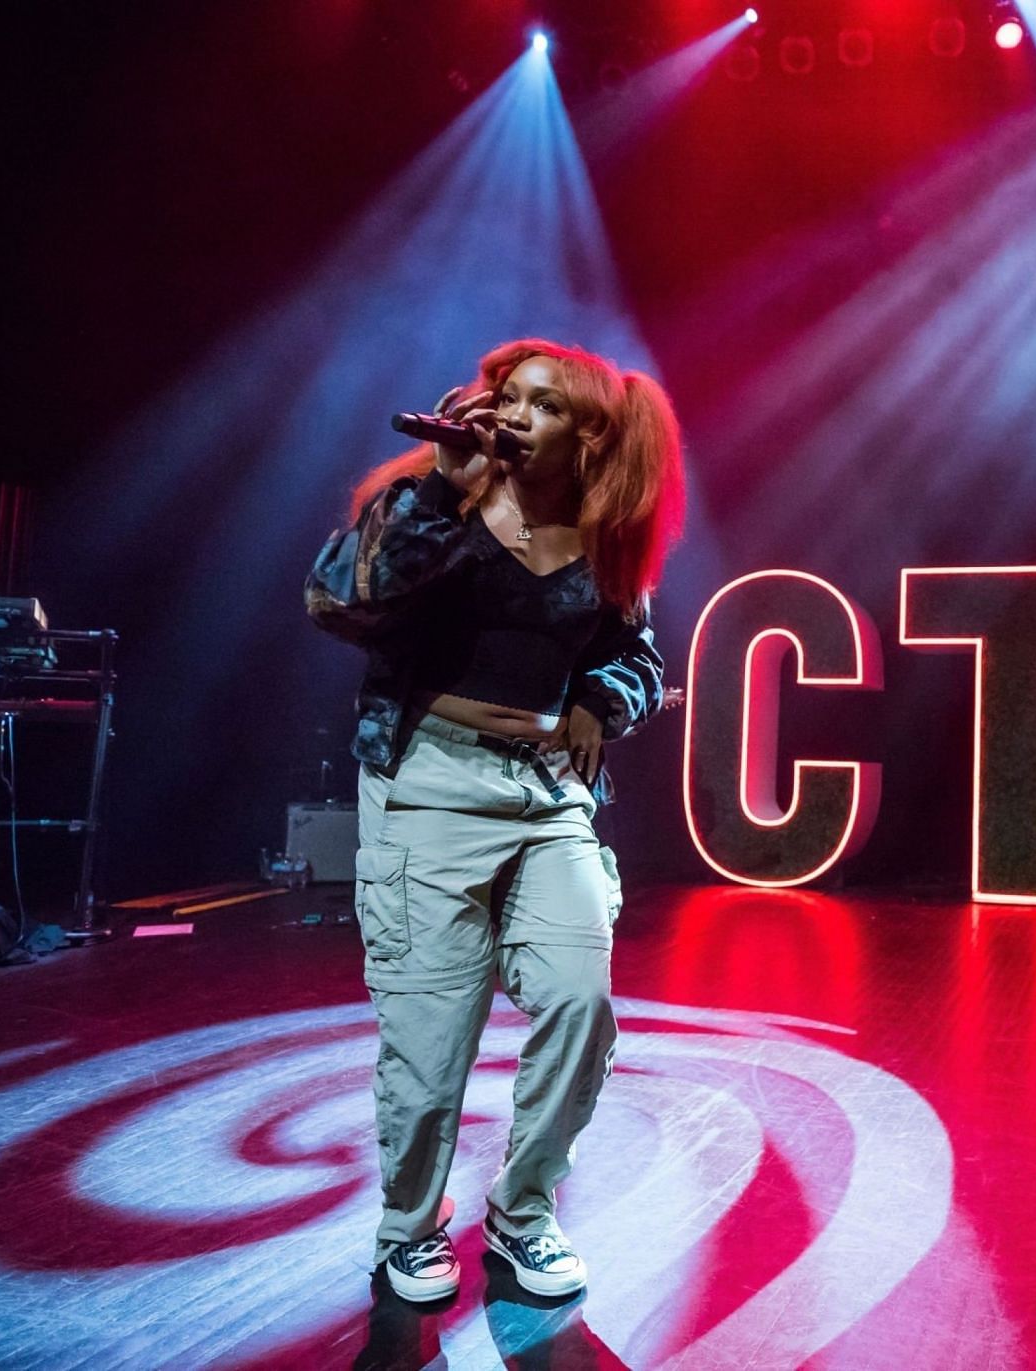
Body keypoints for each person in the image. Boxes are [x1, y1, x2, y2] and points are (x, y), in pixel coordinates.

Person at [305, 338, 685, 1303]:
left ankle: (522, 1216)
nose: (512, 414)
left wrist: (603, 701)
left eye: (542, 405)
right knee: (430, 1045)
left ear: (588, 435)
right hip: (430, 785)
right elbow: (337, 601)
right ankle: (409, 1230)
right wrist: (440, 490)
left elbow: (638, 656)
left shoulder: (606, 536)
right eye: (505, 396)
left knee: (579, 1002)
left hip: (548, 795)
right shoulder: (438, 503)